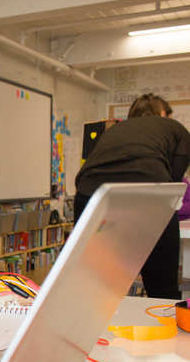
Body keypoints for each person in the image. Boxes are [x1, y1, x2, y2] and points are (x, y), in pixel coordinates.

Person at [74, 93, 190, 299]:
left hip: (90, 193)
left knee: (94, 281)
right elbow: (172, 184)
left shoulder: (114, 130)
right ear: (163, 114)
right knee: (162, 286)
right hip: (149, 193)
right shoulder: (174, 128)